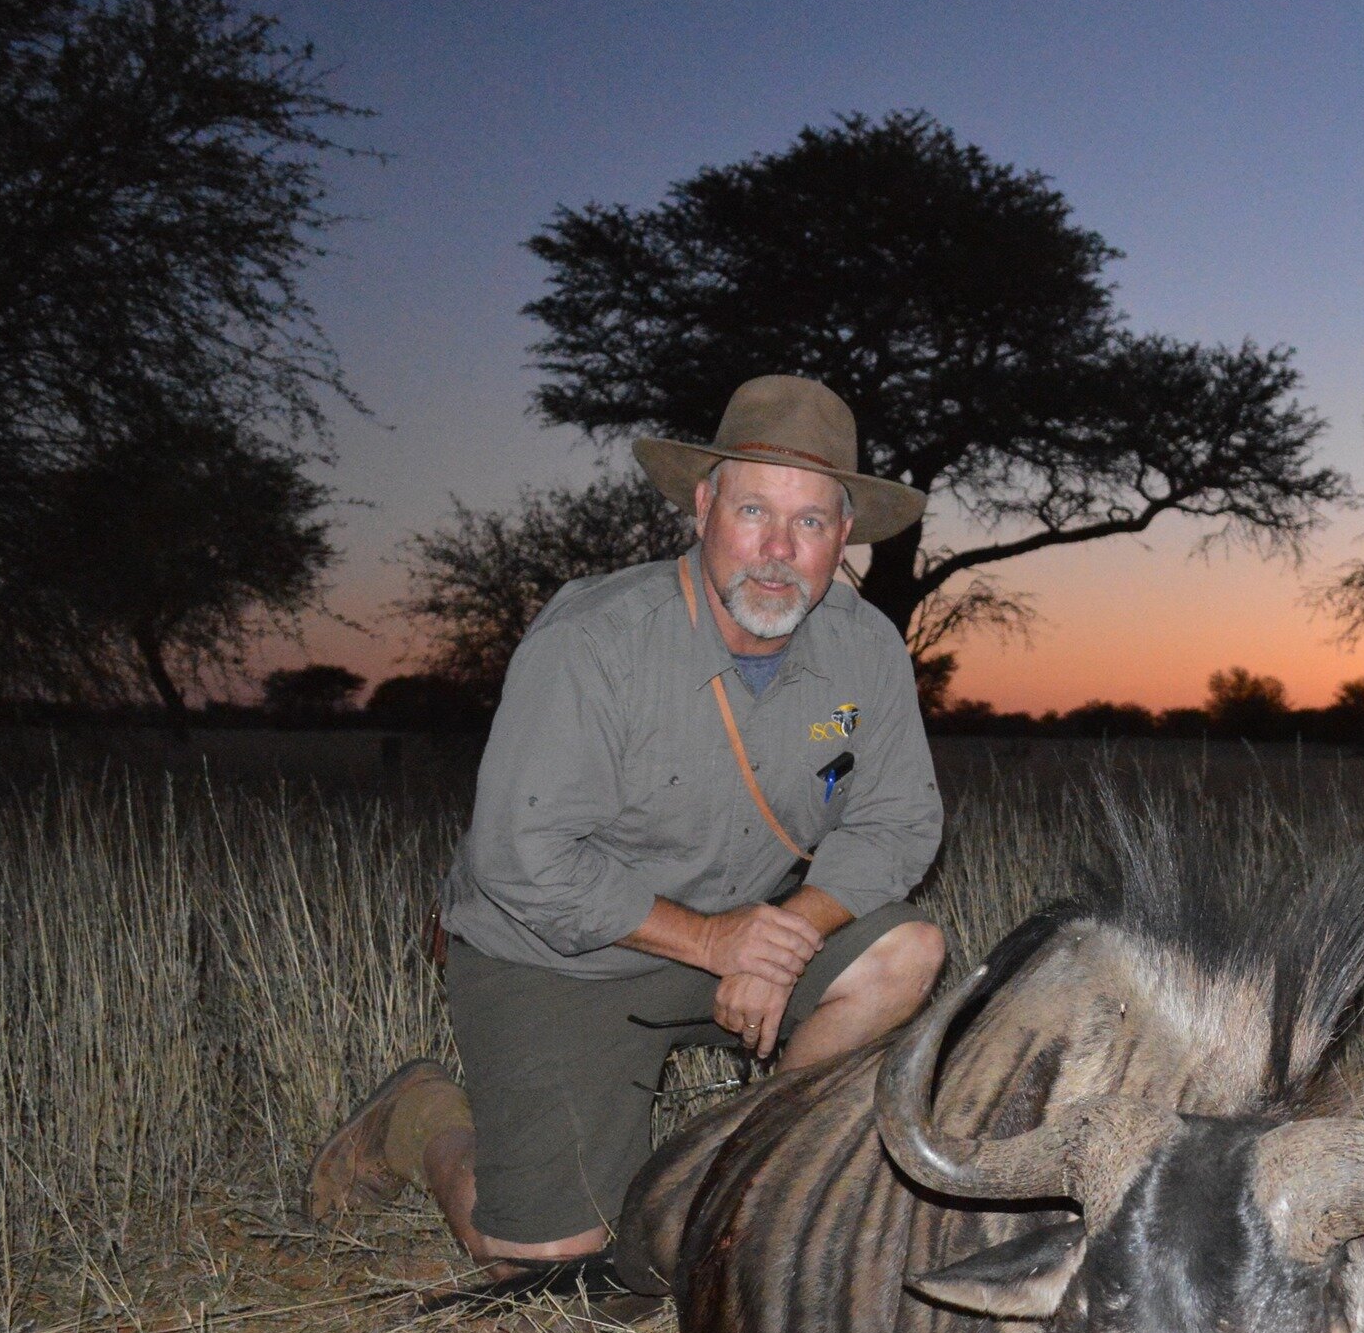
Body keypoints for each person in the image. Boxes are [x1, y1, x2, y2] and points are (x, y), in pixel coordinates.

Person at [304, 375, 947, 1279]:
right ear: (702, 507)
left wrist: (786, 936)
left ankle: (764, 1183)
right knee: (548, 1265)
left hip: (742, 941)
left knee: (906, 953)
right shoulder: (595, 638)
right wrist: (716, 941)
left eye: (809, 523)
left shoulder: (866, 646)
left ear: (843, 537)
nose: (776, 549)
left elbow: (899, 820)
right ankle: (416, 1120)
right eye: (753, 509)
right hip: (560, 957)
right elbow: (520, 860)